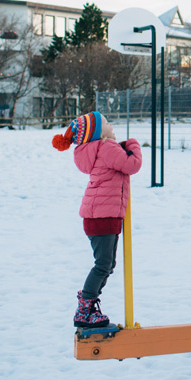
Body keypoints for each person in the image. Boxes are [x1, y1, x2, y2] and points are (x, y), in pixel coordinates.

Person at [52, 111, 142, 328]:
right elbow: (132, 164)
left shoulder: (97, 150)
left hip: (100, 216)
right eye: (108, 123)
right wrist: (132, 143)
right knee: (103, 265)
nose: (112, 126)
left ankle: (88, 305)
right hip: (103, 215)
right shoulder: (106, 147)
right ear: (99, 133)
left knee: (107, 265)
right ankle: (85, 308)